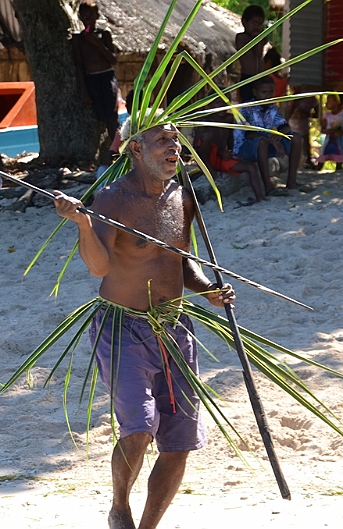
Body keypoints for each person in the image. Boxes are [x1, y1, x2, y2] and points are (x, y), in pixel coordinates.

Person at [53, 118, 235, 529]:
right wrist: (82, 224)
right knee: (140, 427)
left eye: (176, 140)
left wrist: (209, 290)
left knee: (180, 441)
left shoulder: (182, 197)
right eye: (162, 140)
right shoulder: (112, 200)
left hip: (175, 329)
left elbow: (181, 261)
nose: (174, 148)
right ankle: (120, 507)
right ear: (136, 148)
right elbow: (99, 267)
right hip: (123, 328)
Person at [234, 76, 310, 194]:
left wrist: (280, 135)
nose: (268, 95)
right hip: (245, 148)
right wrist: (272, 140)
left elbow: (285, 126)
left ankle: (291, 182)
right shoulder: (247, 109)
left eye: (271, 92)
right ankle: (268, 187)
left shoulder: (272, 108)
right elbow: (249, 134)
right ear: (255, 92)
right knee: (262, 142)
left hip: (266, 143)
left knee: (296, 137)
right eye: (264, 92)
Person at [193, 100, 270, 202]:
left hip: (221, 157)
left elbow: (230, 139)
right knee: (206, 136)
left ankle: (260, 197)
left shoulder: (229, 119)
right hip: (206, 158)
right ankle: (210, 171)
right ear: (210, 106)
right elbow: (196, 146)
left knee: (251, 167)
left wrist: (230, 153)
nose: (222, 106)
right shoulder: (205, 120)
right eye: (217, 103)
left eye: (224, 103)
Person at [73, 1, 120, 160]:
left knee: (112, 117)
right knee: (101, 117)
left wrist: (97, 44)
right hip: (91, 80)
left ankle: (119, 152)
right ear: (80, 17)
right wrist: (84, 91)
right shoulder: (78, 39)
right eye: (84, 16)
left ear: (97, 16)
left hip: (107, 77)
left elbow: (113, 59)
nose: (87, 19)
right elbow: (79, 65)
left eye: (90, 16)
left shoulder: (104, 34)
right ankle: (109, 151)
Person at [234, 4, 267, 104]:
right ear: (244, 22)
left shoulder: (261, 38)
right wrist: (255, 39)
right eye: (254, 22)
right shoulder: (241, 37)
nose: (256, 26)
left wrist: (258, 39)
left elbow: (258, 54)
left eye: (259, 24)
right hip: (247, 77)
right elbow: (244, 49)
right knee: (248, 103)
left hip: (260, 76)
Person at [317, 94, 343, 170]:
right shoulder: (327, 115)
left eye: (329, 101)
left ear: (336, 101)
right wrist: (327, 131)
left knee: (339, 157)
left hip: (341, 141)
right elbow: (322, 130)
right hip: (329, 140)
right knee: (323, 157)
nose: (326, 103)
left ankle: (338, 169)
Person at [286, 91, 319, 170]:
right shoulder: (296, 97)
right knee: (294, 141)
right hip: (294, 122)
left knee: (304, 142)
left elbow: (317, 114)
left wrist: (306, 114)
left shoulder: (313, 99)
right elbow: (290, 111)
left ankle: (307, 160)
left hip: (303, 122)